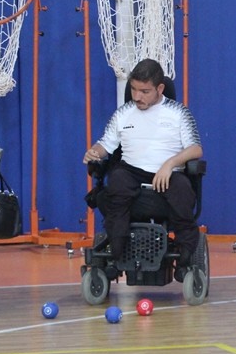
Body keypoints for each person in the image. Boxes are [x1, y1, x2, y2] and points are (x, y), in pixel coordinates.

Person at [83, 59, 204, 280]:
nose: (137, 96)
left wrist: (170, 164)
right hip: (131, 172)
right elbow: (105, 145)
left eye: (145, 91)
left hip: (168, 174)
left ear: (160, 88)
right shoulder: (122, 114)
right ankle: (116, 254)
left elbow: (195, 149)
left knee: (183, 191)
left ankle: (185, 261)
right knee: (117, 181)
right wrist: (94, 152)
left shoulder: (178, 113)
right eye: (134, 89)